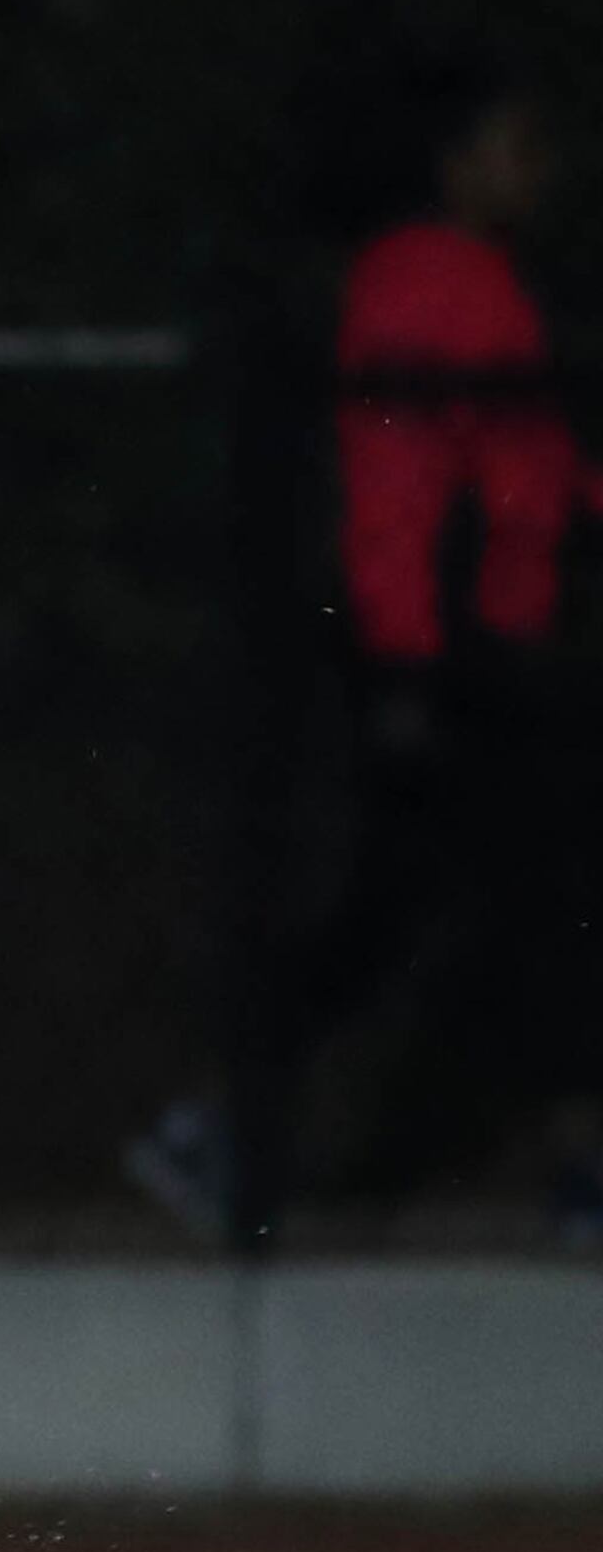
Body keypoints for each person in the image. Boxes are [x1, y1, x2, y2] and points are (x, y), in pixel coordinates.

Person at [145, 78, 598, 1237]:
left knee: (473, 905)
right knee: (451, 907)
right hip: (448, 654)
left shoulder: (471, 280)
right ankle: (217, 1124)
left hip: (480, 647)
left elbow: (530, 459)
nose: (535, 172)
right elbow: (398, 490)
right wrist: (404, 670)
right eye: (513, 145)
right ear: (452, 161)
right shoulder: (424, 279)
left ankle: (223, 1123)